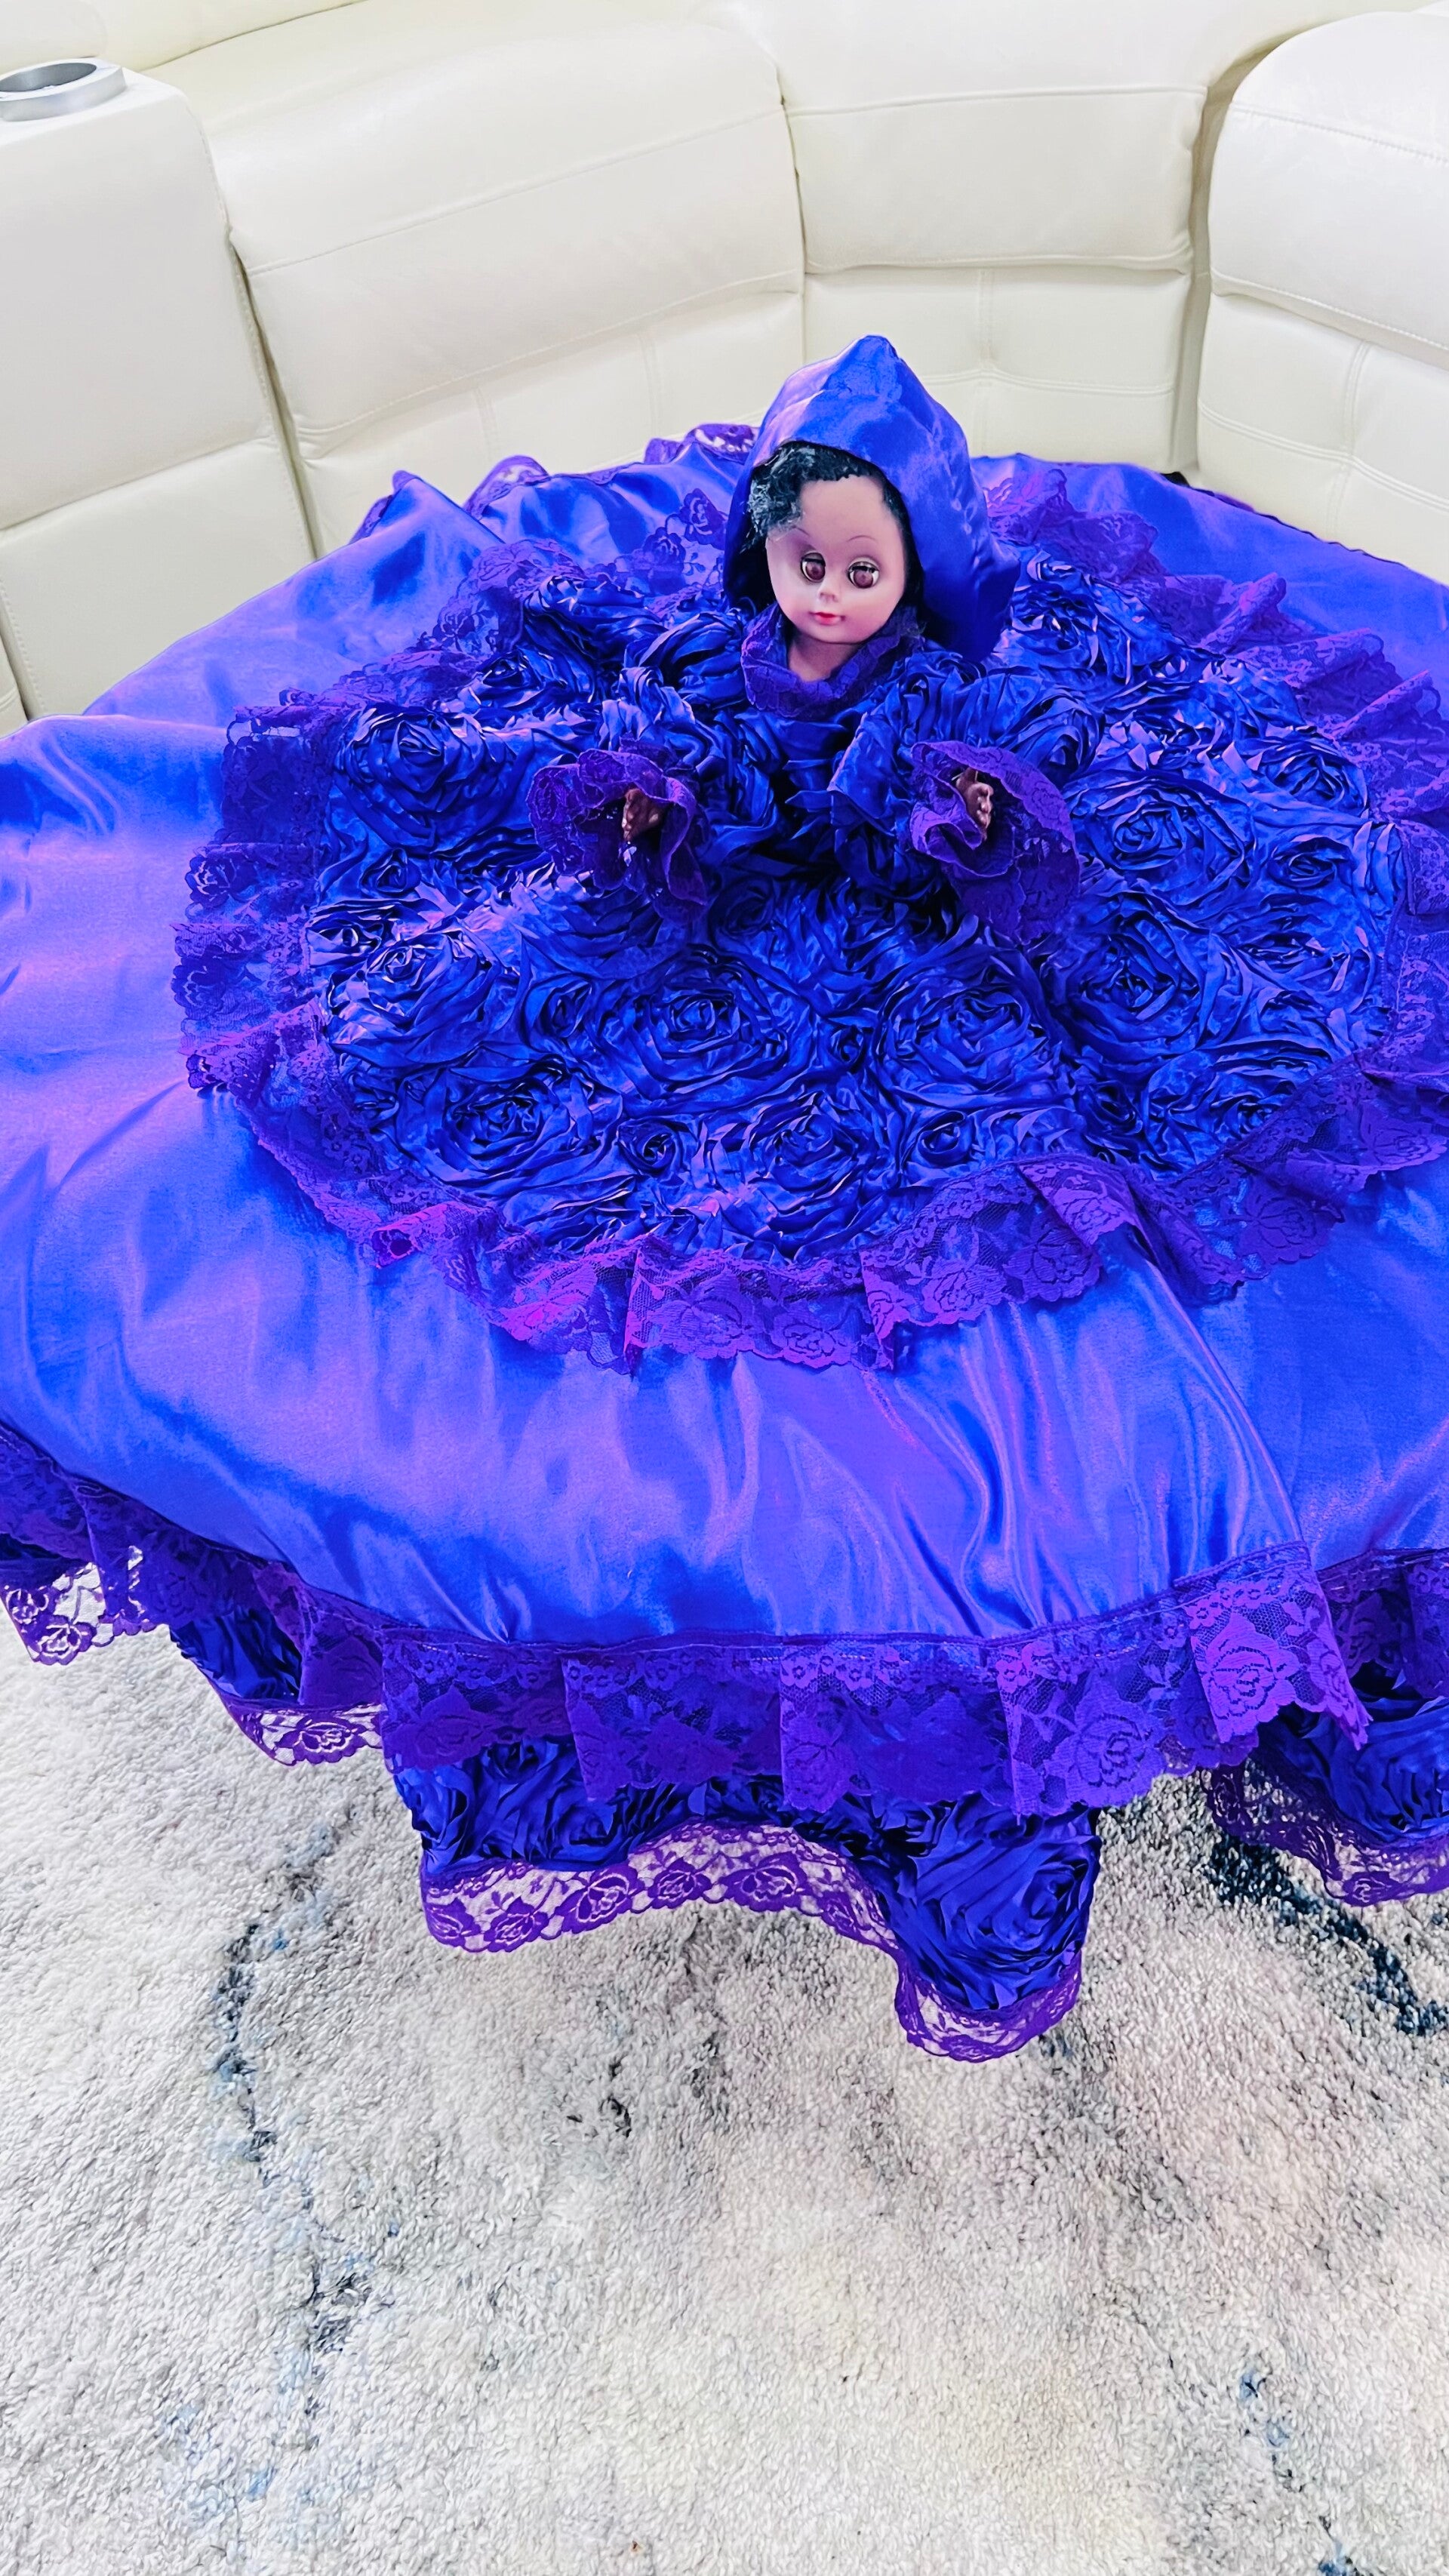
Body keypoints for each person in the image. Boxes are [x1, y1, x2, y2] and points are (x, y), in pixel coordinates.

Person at [2, 337, 1447, 2059]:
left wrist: (969, 825)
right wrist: (657, 815)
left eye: (862, 570)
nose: (826, 596)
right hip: (727, 929)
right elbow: (663, 761)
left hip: (915, 947)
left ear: (920, 571)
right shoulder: (719, 651)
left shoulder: (951, 687)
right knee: (501, 1065)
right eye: (800, 562)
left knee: (1072, 1149)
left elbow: (1019, 830)